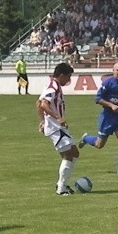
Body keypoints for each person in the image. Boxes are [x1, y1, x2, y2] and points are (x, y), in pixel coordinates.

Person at [78, 61, 118, 174]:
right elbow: (98, 99)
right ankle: (85, 138)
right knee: (99, 144)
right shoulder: (107, 83)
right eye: (117, 70)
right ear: (113, 70)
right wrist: (111, 105)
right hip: (107, 117)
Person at [36, 63, 78, 195]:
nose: (69, 80)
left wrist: (42, 121)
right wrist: (57, 117)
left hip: (57, 127)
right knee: (68, 155)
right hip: (55, 128)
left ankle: (62, 185)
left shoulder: (52, 86)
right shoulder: (53, 87)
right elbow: (43, 104)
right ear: (61, 75)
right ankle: (61, 188)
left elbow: (38, 103)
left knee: (74, 153)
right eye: (68, 76)